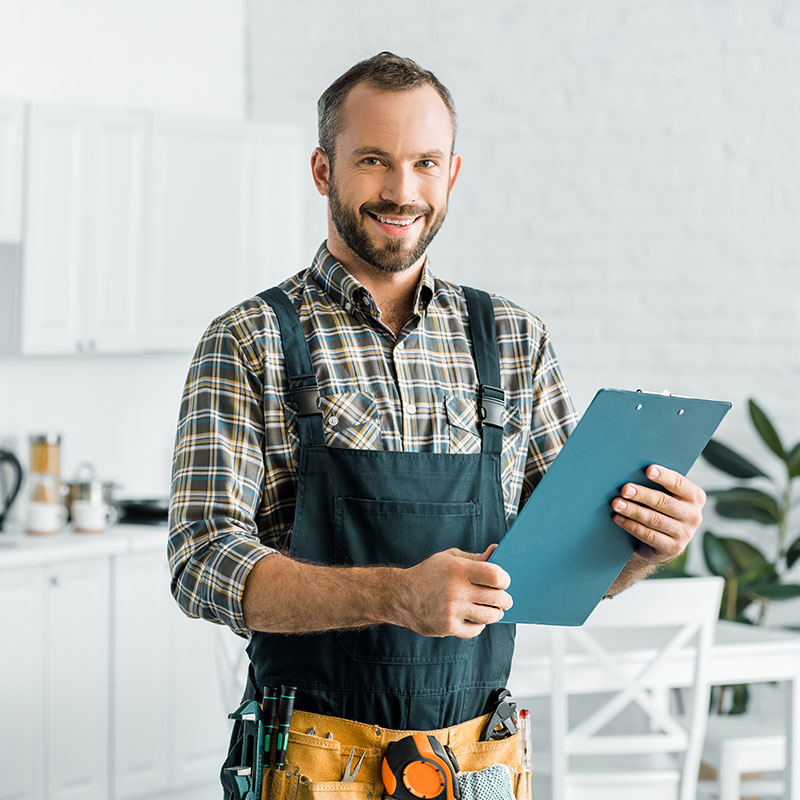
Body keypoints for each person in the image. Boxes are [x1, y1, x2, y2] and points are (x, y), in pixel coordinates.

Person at [168, 51, 707, 800]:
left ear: (452, 174)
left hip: (478, 761)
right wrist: (394, 595)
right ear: (324, 171)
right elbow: (200, 562)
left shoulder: (515, 340)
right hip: (311, 765)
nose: (401, 190)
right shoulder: (251, 339)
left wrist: (647, 543)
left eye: (425, 162)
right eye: (373, 161)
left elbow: (562, 567)